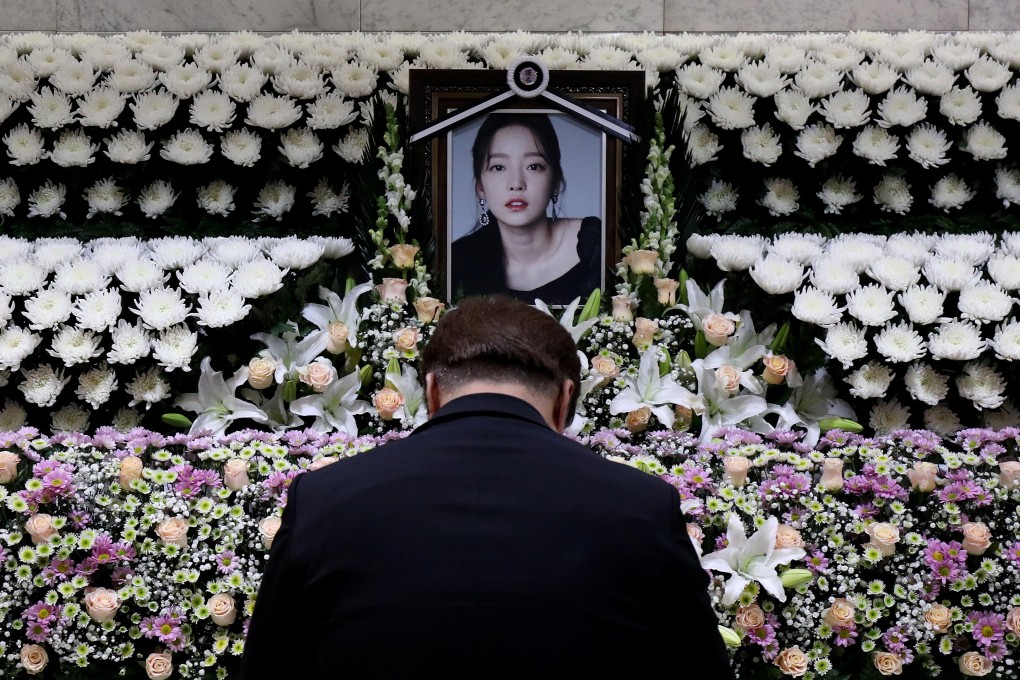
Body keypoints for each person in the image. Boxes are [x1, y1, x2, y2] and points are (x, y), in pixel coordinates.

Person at [239, 297, 734, 680]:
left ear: (431, 392)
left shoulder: (323, 499)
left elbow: (272, 670)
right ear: (565, 401)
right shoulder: (645, 505)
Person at [450, 113, 603, 305]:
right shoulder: (457, 262)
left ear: (555, 182)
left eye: (533, 166)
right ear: (480, 187)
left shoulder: (595, 244)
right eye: (498, 167)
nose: (516, 183)